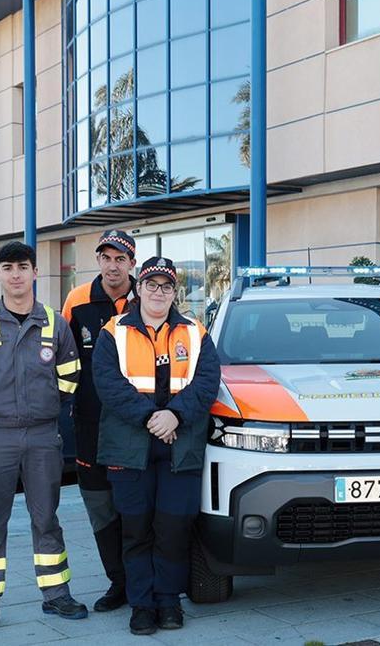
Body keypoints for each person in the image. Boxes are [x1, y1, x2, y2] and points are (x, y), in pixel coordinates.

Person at [0, 242, 87, 631]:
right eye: (8, 267)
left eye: (23, 267)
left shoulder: (54, 323)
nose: (16, 274)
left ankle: (56, 595)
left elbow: (70, 378)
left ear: (34, 272)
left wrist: (44, 408)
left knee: (46, 519)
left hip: (43, 436)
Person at [93, 256, 220, 635]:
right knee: (136, 530)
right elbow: (108, 384)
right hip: (130, 448)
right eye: (152, 285)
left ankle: (168, 602)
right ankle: (142, 606)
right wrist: (152, 417)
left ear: (174, 292)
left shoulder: (196, 333)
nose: (159, 292)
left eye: (166, 286)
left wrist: (175, 416)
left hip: (180, 448)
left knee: (174, 528)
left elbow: (207, 382)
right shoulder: (113, 333)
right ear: (139, 288)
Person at [61, 229, 138, 612]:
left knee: (135, 506)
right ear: (98, 261)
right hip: (90, 425)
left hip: (137, 425)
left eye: (120, 259)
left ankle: (142, 582)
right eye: (106, 258)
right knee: (100, 505)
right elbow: (63, 358)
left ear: (132, 263)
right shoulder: (77, 301)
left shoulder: (145, 299)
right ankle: (118, 582)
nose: (112, 266)